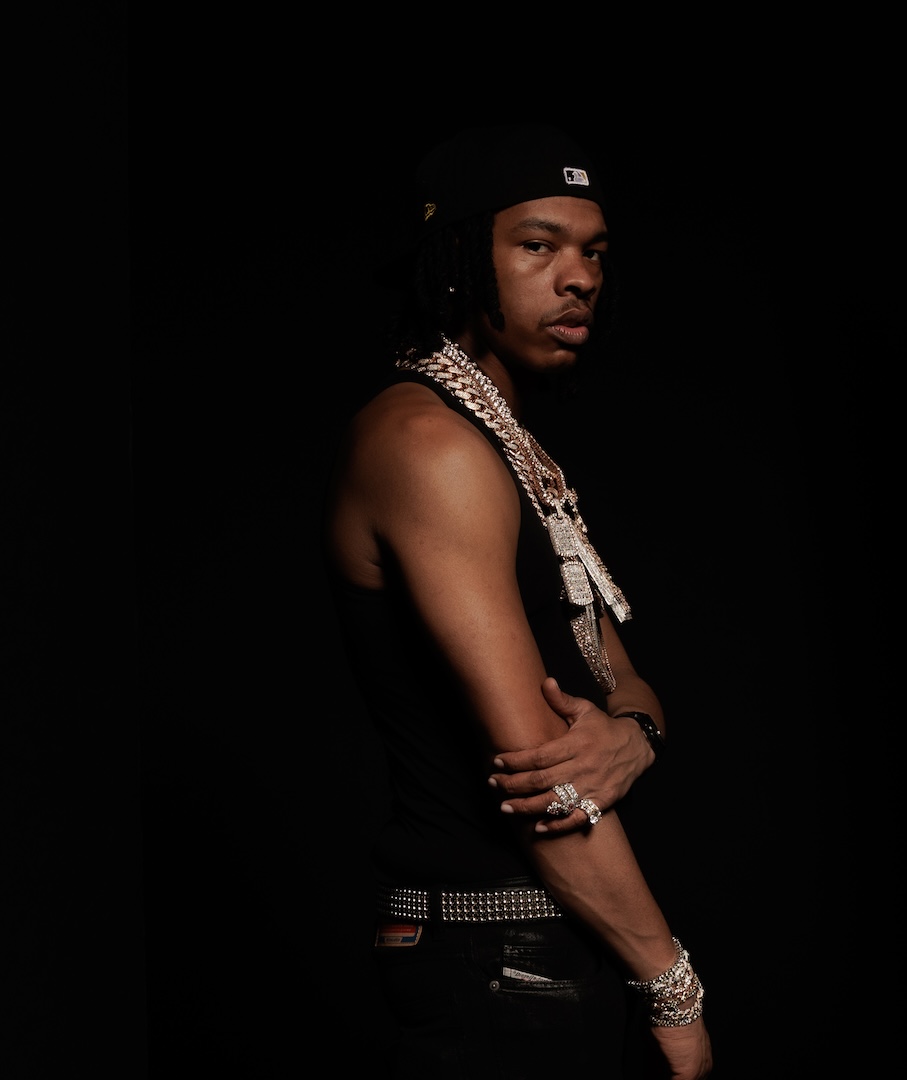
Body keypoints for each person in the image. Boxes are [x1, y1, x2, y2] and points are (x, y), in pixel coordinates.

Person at [323, 123, 714, 1080]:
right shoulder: (430, 446)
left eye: (593, 252)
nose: (579, 277)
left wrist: (637, 733)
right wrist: (676, 992)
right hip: (497, 961)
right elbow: (545, 778)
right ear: (458, 257)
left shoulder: (517, 451)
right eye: (538, 246)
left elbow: (622, 681)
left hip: (555, 950)